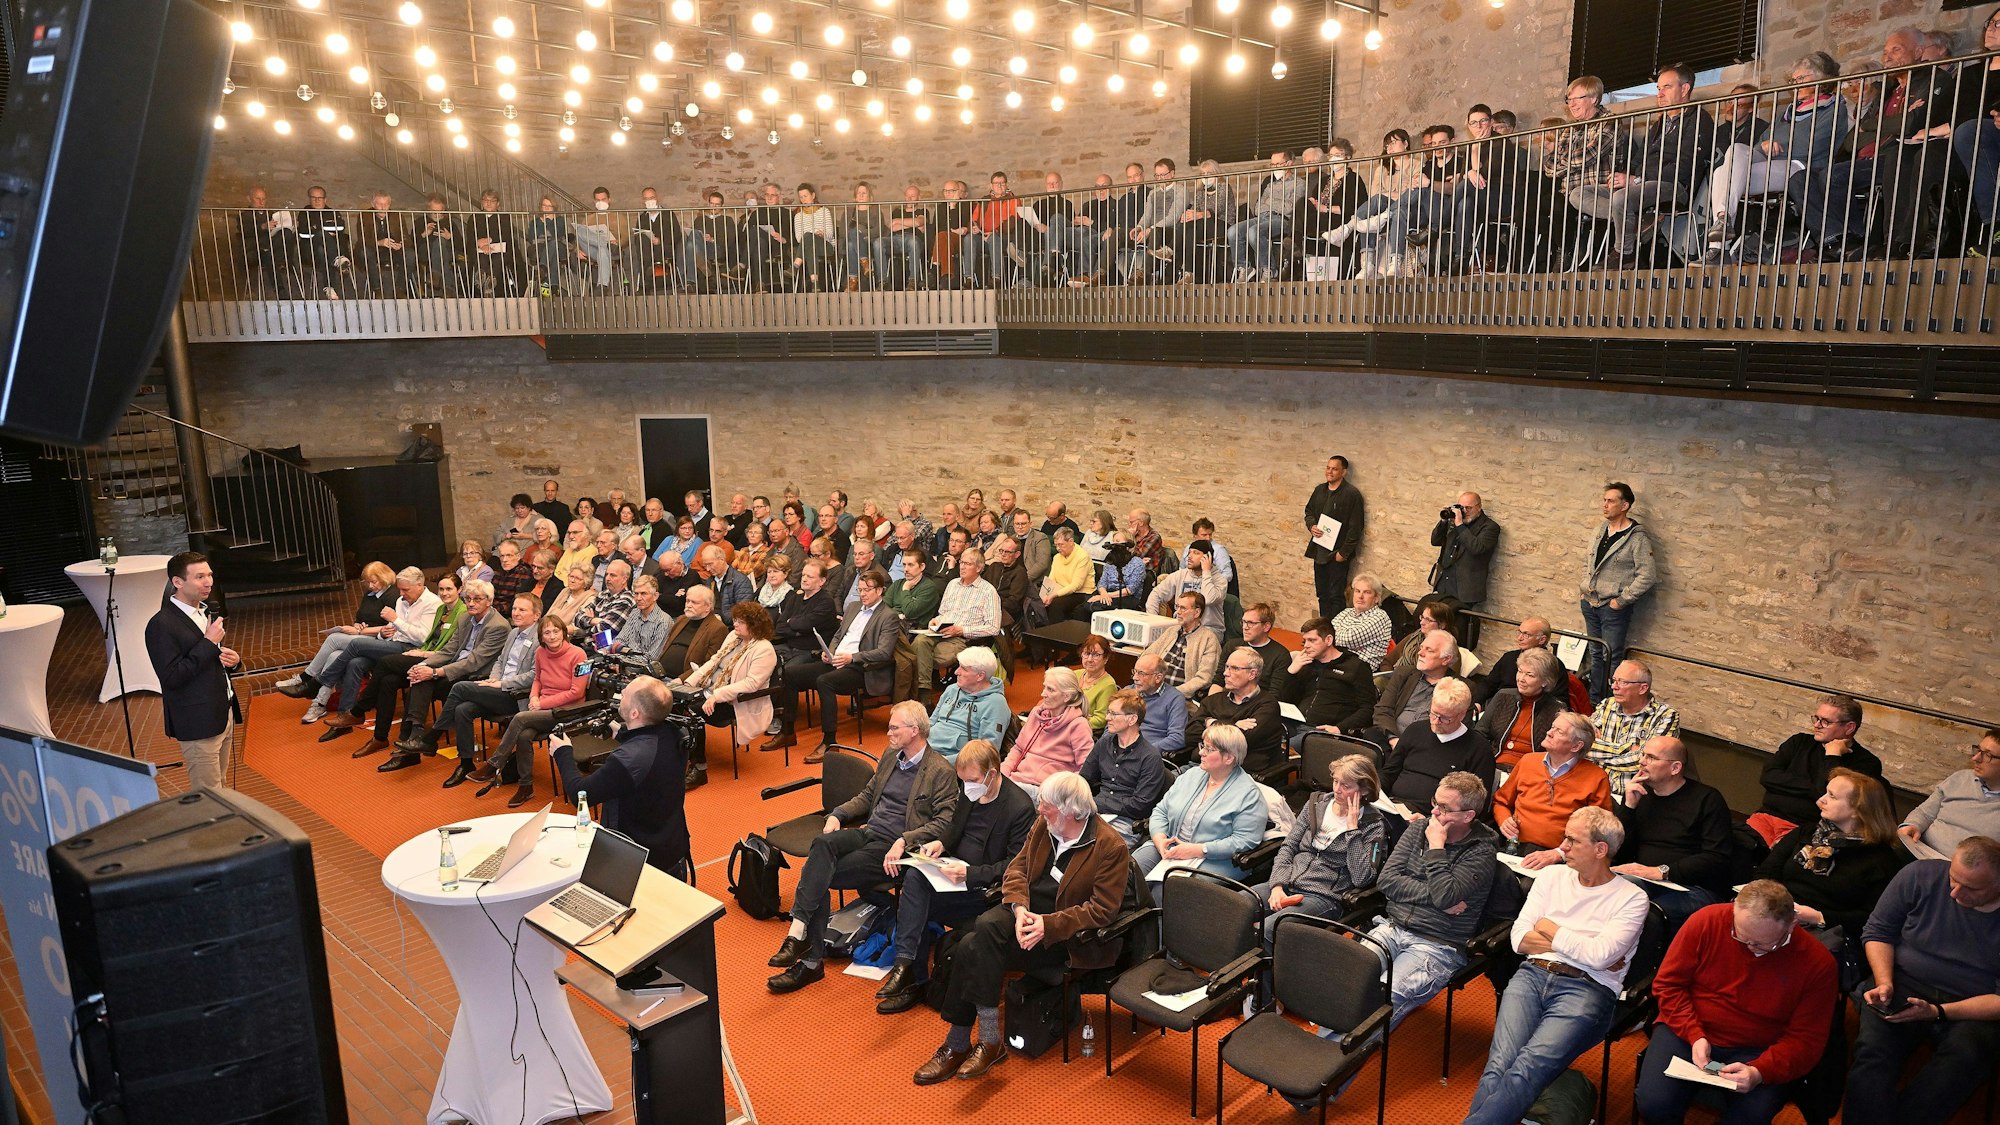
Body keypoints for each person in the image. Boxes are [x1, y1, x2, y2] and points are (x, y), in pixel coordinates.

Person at [914, 770, 1129, 1082]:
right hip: (1026, 913)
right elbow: (1017, 869)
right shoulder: (1044, 824)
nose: (1039, 809)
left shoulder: (1110, 847)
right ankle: (985, 1042)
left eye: (1047, 805)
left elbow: (1103, 911)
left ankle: (962, 1043)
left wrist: (1047, 926)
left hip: (1064, 936)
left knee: (971, 945)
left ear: (1070, 811)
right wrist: (1019, 909)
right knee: (985, 928)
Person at [1462, 807, 1649, 1125]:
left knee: (1528, 1066)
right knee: (1501, 1062)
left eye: (1572, 840)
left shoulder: (1633, 898)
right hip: (1531, 975)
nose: (1563, 846)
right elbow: (1520, 939)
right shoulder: (1551, 877)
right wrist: (1583, 946)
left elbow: (1599, 956)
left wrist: (1548, 927)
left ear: (1600, 849)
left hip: (1587, 989)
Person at [767, 700, 960, 993]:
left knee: (817, 873)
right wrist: (838, 814)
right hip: (868, 833)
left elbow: (945, 823)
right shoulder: (891, 755)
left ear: (915, 730)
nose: (888, 733)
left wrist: (905, 840)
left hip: (893, 851)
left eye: (894, 727)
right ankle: (799, 934)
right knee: (822, 844)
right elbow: (868, 795)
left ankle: (808, 958)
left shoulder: (940, 771)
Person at [1635, 882, 1838, 1125]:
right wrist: (1694, 1034)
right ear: (1733, 911)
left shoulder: (1818, 963)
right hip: (1687, 1030)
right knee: (1654, 1103)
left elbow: (1806, 1040)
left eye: (1762, 944)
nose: (1750, 949)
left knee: (1750, 1116)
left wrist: (1760, 1071)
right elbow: (1669, 985)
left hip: (1761, 1048)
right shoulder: (1706, 921)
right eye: (1740, 936)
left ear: (1792, 924)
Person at [875, 739, 1037, 1014]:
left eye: (971, 780)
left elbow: (1013, 866)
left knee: (916, 903)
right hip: (951, 873)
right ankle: (907, 969)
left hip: (981, 890)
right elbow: (955, 826)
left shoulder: (1018, 808)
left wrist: (969, 873)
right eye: (963, 780)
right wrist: (941, 843)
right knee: (914, 879)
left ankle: (912, 978)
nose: (966, 786)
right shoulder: (970, 790)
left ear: (992, 774)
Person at [1845, 836, 2000, 1123]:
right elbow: (1878, 932)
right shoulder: (1920, 875)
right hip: (1903, 981)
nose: (1954, 893)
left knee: (1962, 1061)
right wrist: (1883, 981)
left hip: (1973, 1005)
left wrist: (1939, 1012)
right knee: (1873, 1052)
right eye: (1953, 879)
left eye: (1971, 888)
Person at [1364, 772, 1501, 1029]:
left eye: (1445, 808)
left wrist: (1436, 847)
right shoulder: (1418, 828)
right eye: (1435, 803)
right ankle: (1321, 1058)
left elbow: (1445, 895)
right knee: (1350, 980)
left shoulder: (1482, 852)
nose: (1435, 814)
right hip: (1392, 927)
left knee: (1380, 1000)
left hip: (1437, 945)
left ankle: (1329, 1065)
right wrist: (1436, 897)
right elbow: (1387, 880)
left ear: (1468, 816)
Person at [551, 677, 691, 876]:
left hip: (639, 861)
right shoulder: (677, 733)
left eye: (625, 695)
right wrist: (619, 733)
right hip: (672, 847)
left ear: (634, 713)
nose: (621, 693)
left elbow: (580, 795)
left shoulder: (627, 760)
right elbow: (647, 741)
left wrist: (563, 752)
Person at [1755, 767, 1909, 938]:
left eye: (1832, 796)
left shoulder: (1881, 860)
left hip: (1826, 931)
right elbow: (1766, 872)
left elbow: (1872, 918)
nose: (1820, 800)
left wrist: (1819, 917)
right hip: (1776, 913)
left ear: (1858, 811)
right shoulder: (1807, 832)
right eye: (1825, 793)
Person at [1253, 755, 1388, 948]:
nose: (1337, 790)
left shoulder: (1373, 825)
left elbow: (1361, 878)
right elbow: (1288, 847)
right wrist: (1277, 886)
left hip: (1323, 896)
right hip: (1289, 880)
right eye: (1335, 781)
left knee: (1270, 930)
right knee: (1239, 905)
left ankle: (1268, 978)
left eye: (1346, 786)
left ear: (1365, 790)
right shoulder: (1316, 804)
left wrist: (1352, 831)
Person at [373, 581, 509, 769]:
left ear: (489, 601)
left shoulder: (498, 626)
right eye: (468, 598)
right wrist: (423, 665)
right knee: (419, 677)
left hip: (475, 676)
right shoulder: (464, 618)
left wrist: (435, 672)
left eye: (477, 599)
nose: (471, 603)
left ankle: (413, 746)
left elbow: (473, 662)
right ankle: (416, 737)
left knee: (423, 679)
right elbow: (448, 651)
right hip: (453, 669)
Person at [1607, 736, 1735, 931]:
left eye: (1651, 757)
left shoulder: (1707, 799)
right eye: (1643, 754)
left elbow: (1717, 857)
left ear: (1675, 768)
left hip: (1692, 887)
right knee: (1599, 892)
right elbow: (1620, 853)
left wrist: (1662, 871)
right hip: (1643, 880)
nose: (1641, 761)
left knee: (1637, 909)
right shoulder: (1641, 795)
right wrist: (1629, 807)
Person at [144, 552, 241, 790]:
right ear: (178, 582)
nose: (208, 582)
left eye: (209, 575)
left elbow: (207, 660)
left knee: (223, 787)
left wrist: (235, 662)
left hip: (222, 713)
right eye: (199, 577)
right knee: (208, 794)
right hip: (198, 722)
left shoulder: (206, 612)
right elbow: (172, 677)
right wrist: (208, 643)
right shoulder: (161, 625)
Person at [783, 568, 902, 761]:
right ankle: (787, 731)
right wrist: (829, 651)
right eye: (860, 589)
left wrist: (852, 657)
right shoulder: (853, 607)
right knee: (790, 673)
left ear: (879, 591)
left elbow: (884, 652)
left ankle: (830, 742)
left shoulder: (888, 616)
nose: (862, 594)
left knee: (824, 681)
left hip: (860, 668)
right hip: (836, 661)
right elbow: (839, 635)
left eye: (867, 590)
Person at [430, 593, 542, 789]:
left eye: (522, 610)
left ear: (536, 615)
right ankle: (465, 764)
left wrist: (503, 683)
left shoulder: (540, 638)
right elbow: (500, 661)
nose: (515, 613)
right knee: (462, 709)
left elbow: (534, 675)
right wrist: (496, 677)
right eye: (514, 608)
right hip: (498, 688)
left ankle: (432, 736)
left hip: (516, 695)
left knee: (459, 687)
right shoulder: (514, 632)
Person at [1132, 726, 1268, 881]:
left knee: (1169, 887)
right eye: (1202, 746)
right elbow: (1161, 811)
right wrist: (1160, 839)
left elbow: (1244, 840)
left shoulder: (1248, 794)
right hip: (1171, 846)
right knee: (1131, 869)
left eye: (1209, 749)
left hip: (1215, 859)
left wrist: (1199, 849)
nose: (1201, 752)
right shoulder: (1191, 775)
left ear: (1229, 758)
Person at [487, 614, 587, 806]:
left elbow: (577, 692)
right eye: (547, 632)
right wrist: (534, 696)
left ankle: (494, 763)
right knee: (524, 736)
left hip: (567, 710)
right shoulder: (541, 653)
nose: (552, 636)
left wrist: (542, 704)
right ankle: (526, 786)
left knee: (520, 718)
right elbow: (538, 680)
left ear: (564, 632)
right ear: (541, 637)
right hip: (543, 709)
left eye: (556, 631)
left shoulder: (579, 654)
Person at [1757, 694, 1885, 837]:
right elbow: (1767, 776)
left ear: (1849, 728)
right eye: (1816, 718)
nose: (1816, 725)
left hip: (1808, 831)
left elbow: (1828, 796)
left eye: (1825, 721)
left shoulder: (1866, 763)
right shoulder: (1799, 742)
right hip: (1766, 816)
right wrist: (1811, 788)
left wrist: (1832, 756)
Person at [684, 601, 779, 789]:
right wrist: (689, 682)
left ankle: (699, 768)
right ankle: (682, 755)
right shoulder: (732, 637)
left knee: (692, 714)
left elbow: (751, 684)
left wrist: (717, 695)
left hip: (738, 703)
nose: (735, 624)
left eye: (740, 622)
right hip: (711, 691)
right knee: (676, 703)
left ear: (754, 625)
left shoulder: (764, 649)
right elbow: (714, 661)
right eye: (735, 620)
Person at [1580, 482, 1657, 703]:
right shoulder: (1599, 531)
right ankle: (1594, 703)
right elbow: (1590, 564)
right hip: (1590, 602)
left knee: (1611, 656)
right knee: (1595, 654)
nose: (1605, 505)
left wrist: (1622, 600)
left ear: (1625, 505)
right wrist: (1584, 589)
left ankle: (1611, 703)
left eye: (1610, 501)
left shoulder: (1637, 538)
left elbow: (1647, 575)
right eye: (1604, 500)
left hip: (1612, 608)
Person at [1495, 711, 1614, 851]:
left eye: (1559, 732)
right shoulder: (1528, 761)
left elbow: (1599, 831)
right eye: (1552, 727)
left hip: (1562, 856)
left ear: (1576, 746)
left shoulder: (1596, 777)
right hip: (1515, 847)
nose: (1549, 733)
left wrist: (1560, 854)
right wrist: (1504, 820)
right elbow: (1501, 801)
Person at [1381, 677, 1493, 810]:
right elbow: (1389, 773)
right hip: (1393, 805)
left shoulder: (1479, 749)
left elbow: (1474, 805)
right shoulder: (1415, 730)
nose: (1435, 721)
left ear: (1462, 715)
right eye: (1433, 713)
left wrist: (1433, 818)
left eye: (1445, 718)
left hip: (1435, 817)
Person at [910, 548, 1001, 704]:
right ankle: (924, 694)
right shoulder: (952, 584)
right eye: (961, 562)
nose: (962, 567)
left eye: (967, 564)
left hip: (962, 638)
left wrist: (962, 630)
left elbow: (994, 627)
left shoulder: (988, 591)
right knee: (919, 641)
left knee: (920, 654)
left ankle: (923, 695)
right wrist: (936, 620)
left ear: (979, 568)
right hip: (941, 631)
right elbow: (943, 612)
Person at [1080, 689, 1167, 846]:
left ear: (1132, 719)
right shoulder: (1104, 743)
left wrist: (1095, 803)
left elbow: (1139, 806)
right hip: (1097, 811)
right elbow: (1084, 778)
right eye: (1108, 712)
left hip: (1126, 822)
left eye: (1114, 714)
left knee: (1088, 845)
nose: (1107, 718)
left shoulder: (1150, 757)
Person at [1899, 730, 2000, 858]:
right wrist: (1912, 825)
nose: (1975, 758)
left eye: (1988, 755)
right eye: (1978, 750)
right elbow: (1924, 813)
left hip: (1960, 872)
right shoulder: (1960, 778)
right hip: (1919, 850)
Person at [1000, 666, 1095, 804]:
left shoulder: (1078, 725)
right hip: (1018, 781)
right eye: (1044, 687)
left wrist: (1059, 792)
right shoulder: (1036, 713)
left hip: (1045, 790)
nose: (1043, 693)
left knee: (997, 796)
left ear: (1066, 696)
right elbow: (1018, 749)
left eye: (1050, 689)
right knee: (982, 786)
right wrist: (1003, 773)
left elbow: (1085, 768)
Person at [1588, 659, 1682, 794]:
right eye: (1614, 680)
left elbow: (1647, 764)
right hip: (1594, 790)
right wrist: (1629, 749)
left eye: (1623, 682)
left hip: (1636, 797)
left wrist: (1599, 753)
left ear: (1643, 688)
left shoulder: (1665, 716)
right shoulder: (1606, 705)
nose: (1614, 686)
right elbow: (1582, 745)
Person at [1279, 616, 1377, 744]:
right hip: (1293, 723)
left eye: (1312, 640)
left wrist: (1340, 728)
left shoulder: (1356, 667)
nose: (1306, 646)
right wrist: (1291, 672)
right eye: (1305, 641)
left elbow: (1368, 708)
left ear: (1329, 640)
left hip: (1323, 731)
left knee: (1283, 749)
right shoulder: (1306, 663)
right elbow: (1284, 700)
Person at [1476, 646, 1569, 770]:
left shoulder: (1556, 709)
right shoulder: (1503, 696)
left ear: (1545, 681)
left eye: (1529, 675)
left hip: (1531, 771)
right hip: (1493, 764)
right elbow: (1480, 733)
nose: (1521, 679)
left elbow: (1557, 751)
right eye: (1520, 671)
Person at [1429, 491, 1500, 648]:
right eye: (1461, 507)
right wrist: (1443, 521)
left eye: (1468, 508)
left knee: (1457, 631)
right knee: (1437, 626)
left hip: (1465, 589)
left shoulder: (1490, 527)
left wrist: (1460, 525)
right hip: (1444, 583)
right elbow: (1435, 541)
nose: (1464, 511)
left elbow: (1477, 548)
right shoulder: (1453, 522)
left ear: (1479, 507)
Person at [1199, 648, 1285, 775]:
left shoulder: (1268, 706)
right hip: (1201, 766)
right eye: (1226, 667)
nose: (1226, 673)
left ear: (1252, 674)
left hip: (1240, 774)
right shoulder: (1212, 700)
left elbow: (1239, 742)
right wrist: (1234, 726)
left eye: (1234, 668)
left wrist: (1211, 723)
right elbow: (1189, 734)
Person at [1303, 455, 1365, 620]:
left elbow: (1356, 527)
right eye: (1328, 468)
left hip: (1337, 554)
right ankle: (1323, 629)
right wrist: (1312, 526)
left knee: (1336, 596)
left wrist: (1343, 553)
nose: (1330, 472)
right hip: (1319, 551)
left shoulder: (1352, 494)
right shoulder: (1319, 490)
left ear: (1343, 472)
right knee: (1322, 594)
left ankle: (1336, 633)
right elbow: (1309, 512)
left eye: (1334, 469)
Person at [924, 647, 1010, 761]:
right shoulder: (952, 689)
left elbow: (988, 751)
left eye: (963, 669)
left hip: (953, 761)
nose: (956, 672)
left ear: (980, 676)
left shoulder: (996, 703)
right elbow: (930, 723)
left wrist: (942, 762)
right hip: (926, 750)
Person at [1142, 591, 1222, 699]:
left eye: (1183, 608)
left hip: (1179, 697)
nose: (1178, 612)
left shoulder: (1208, 639)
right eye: (1177, 607)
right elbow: (1146, 656)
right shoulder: (1172, 631)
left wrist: (1172, 693)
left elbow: (1204, 678)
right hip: (1152, 690)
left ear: (1197, 612)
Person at [657, 583, 727, 681]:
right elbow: (665, 647)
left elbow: (708, 664)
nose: (689, 605)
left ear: (708, 606)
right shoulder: (681, 619)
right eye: (687, 601)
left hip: (682, 681)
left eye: (694, 602)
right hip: (659, 674)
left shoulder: (717, 629)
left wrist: (681, 679)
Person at [1330, 574, 1395, 671]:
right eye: (1357, 591)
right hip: (1338, 663)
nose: (1360, 596)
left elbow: (1349, 639)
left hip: (1359, 671)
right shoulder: (1347, 612)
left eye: (1367, 592)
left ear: (1376, 598)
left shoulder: (1380, 617)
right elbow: (1327, 631)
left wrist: (1329, 638)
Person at [1226, 602, 1291, 695]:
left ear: (1266, 626)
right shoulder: (1231, 645)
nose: (1244, 627)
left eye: (1251, 623)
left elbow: (1275, 694)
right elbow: (1218, 681)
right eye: (1243, 622)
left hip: (1259, 703)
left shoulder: (1280, 655)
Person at [1131, 653, 1188, 758]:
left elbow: (1177, 737)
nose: (1135, 678)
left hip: (1147, 755)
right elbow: (1110, 726)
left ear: (1158, 677)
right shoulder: (1128, 691)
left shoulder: (1175, 699)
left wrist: (1147, 751)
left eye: (1141, 673)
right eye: (1135, 672)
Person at [1072, 635, 1117, 733]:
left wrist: (1073, 723)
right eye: (1086, 653)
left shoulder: (1108, 685)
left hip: (1085, 732)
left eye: (1096, 655)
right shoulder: (1075, 674)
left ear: (1106, 658)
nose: (1089, 659)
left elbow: (1101, 720)